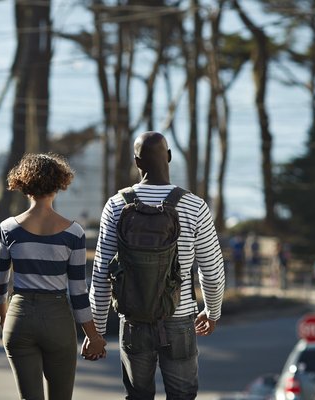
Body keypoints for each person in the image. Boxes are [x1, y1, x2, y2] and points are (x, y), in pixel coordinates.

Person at [89, 132, 226, 400]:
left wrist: (97, 330)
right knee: (183, 395)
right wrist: (212, 312)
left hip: (133, 321)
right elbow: (212, 271)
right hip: (179, 319)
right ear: (170, 157)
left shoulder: (116, 205)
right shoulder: (194, 206)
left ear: (137, 162)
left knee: (138, 396)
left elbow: (102, 273)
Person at [0, 153, 105, 400]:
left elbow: (0, 285)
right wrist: (92, 336)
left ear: (24, 185)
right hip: (57, 319)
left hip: (19, 316)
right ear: (58, 185)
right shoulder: (74, 233)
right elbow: (78, 292)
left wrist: (3, 315)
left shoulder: (7, 229)